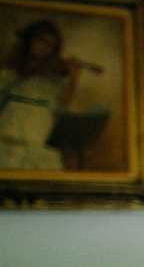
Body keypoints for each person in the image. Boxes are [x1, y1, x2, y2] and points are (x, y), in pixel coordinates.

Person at [0, 19, 99, 170]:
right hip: (7, 143)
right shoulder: (10, 70)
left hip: (40, 146)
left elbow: (64, 105)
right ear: (29, 42)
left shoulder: (53, 79)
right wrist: (23, 72)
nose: (45, 48)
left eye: (50, 45)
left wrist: (73, 78)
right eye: (41, 41)